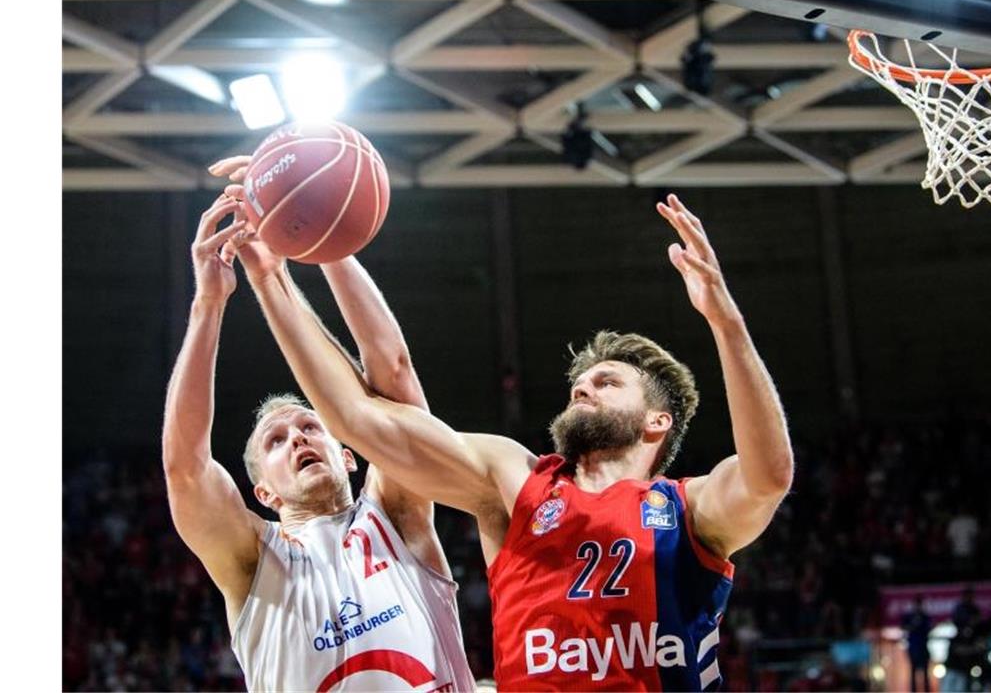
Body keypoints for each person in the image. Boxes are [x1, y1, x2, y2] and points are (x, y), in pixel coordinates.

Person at [227, 187, 794, 691]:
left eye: (607, 382)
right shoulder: (515, 480)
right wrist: (276, 275)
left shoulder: (689, 509)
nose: (583, 389)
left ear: (656, 421)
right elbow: (357, 416)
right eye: (580, 382)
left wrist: (727, 324)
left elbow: (769, 475)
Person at [161, 185, 475, 692]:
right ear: (263, 494)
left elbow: (393, 375)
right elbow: (186, 467)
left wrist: (329, 240)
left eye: (310, 427)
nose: (299, 439)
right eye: (276, 442)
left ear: (348, 456)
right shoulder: (251, 559)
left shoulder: (398, 515)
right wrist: (209, 304)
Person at [902, 595, 932, 692]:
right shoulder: (909, 616)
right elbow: (904, 627)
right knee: (913, 672)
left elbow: (929, 629)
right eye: (917, 604)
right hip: (913, 648)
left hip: (923, 647)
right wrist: (913, 624)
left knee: (925, 673)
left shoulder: (925, 616)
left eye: (920, 604)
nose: (918, 606)